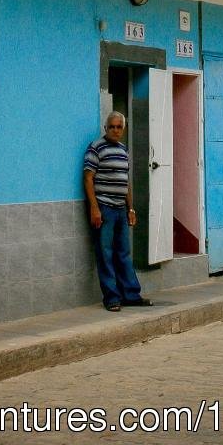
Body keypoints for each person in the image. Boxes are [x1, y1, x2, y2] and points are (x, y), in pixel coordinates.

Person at [83, 110, 153, 312]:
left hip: (120, 210)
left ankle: (131, 295)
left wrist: (130, 208)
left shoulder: (123, 150)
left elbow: (125, 182)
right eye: (111, 126)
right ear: (106, 128)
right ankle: (112, 298)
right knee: (105, 254)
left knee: (123, 253)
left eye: (119, 126)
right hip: (103, 208)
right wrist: (94, 208)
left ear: (124, 129)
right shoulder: (96, 148)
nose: (115, 130)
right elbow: (88, 178)